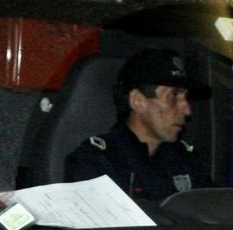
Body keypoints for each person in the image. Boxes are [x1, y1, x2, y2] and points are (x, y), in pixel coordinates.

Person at [65, 48, 206, 199]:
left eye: (186, 97)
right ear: (138, 101)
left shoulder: (186, 161)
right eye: (174, 95)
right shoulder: (97, 161)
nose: (187, 110)